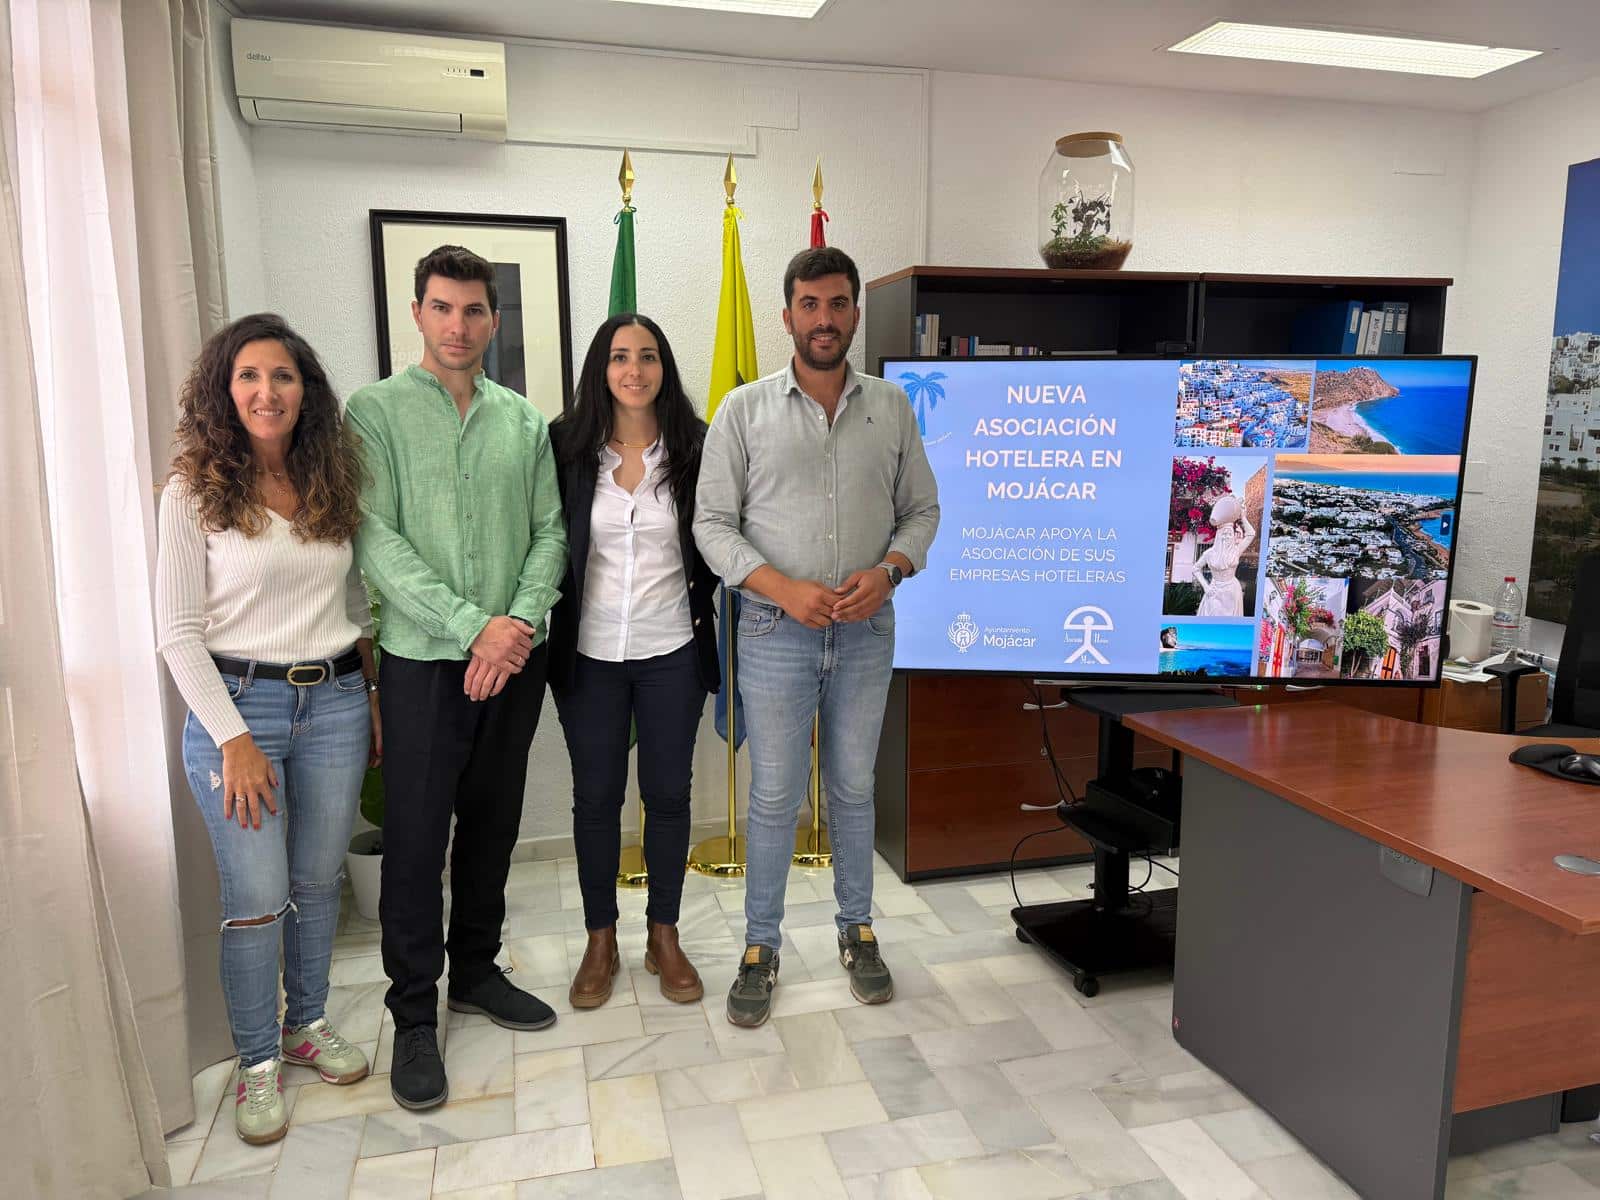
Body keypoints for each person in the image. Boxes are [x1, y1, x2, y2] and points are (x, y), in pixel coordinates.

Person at [694, 246, 940, 1028]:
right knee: (773, 795)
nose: (824, 319)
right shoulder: (743, 412)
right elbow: (711, 525)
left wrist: (891, 571)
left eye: (837, 303)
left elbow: (922, 511)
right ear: (787, 315)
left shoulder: (890, 409)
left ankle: (856, 931)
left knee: (853, 789)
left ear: (855, 313)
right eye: (810, 304)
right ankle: (760, 947)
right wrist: (782, 588)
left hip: (866, 634)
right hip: (774, 630)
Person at [346, 245, 568, 1111]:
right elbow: (377, 543)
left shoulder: (524, 421)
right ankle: (413, 1014)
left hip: (513, 661)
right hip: (423, 664)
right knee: (414, 842)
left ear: (492, 320)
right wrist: (477, 628)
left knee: (491, 824)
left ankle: (474, 970)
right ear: (417, 313)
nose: (458, 324)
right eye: (442, 307)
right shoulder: (374, 413)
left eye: (473, 310)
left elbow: (551, 533)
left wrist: (514, 627)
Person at [157, 313, 378, 1146]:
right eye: (248, 376)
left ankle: (306, 1025)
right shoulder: (192, 493)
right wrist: (233, 739)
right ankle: (257, 1063)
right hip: (238, 710)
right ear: (225, 391)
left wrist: (372, 697)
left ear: (304, 390)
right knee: (256, 900)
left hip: (336, 702)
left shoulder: (331, 479)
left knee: (318, 884)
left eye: (282, 375)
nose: (266, 391)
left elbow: (354, 605)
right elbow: (177, 633)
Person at [547, 313, 719, 1008]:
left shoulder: (697, 448)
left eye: (648, 356)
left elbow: (721, 539)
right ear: (601, 369)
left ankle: (663, 934)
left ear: (663, 368)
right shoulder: (565, 447)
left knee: (669, 795)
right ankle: (601, 940)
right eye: (620, 357)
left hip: (672, 649)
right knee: (596, 799)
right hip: (589, 654)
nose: (634, 370)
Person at [1195, 493, 1256, 618]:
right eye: (1224, 534)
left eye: (1229, 534)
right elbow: (1195, 568)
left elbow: (1251, 534)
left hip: (1232, 591)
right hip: (1214, 591)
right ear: (1219, 536)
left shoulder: (1236, 550)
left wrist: (1243, 517)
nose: (1227, 537)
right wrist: (1206, 587)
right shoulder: (1209, 553)